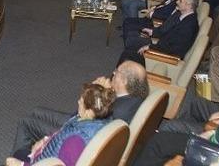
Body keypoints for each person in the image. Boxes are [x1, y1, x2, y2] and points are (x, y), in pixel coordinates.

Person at [10, 61, 149, 159]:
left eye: (116, 72)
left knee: (25, 122)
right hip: (83, 123)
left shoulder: (116, 110)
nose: (113, 73)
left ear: (124, 81)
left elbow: (83, 117)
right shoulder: (133, 99)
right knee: (37, 111)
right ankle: (33, 151)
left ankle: (27, 159)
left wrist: (96, 90)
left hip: (74, 127)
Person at [6, 83, 116, 166]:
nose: (78, 102)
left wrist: (21, 164)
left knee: (15, 156)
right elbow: (62, 133)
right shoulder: (98, 120)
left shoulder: (75, 142)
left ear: (89, 112)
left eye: (81, 101)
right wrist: (45, 140)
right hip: (45, 151)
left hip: (40, 161)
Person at [119, 0, 199, 65]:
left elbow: (174, 49)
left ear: (189, 5)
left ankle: (127, 70)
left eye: (180, 1)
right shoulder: (184, 15)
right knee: (131, 38)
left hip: (164, 56)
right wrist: (153, 32)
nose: (177, 1)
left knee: (129, 47)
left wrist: (150, 47)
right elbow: (168, 31)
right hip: (161, 45)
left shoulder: (189, 26)